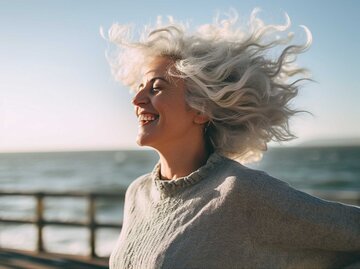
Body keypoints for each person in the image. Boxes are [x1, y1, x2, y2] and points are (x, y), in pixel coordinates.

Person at [105, 9, 360, 269]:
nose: (136, 100)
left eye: (156, 87)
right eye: (139, 87)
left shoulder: (239, 192)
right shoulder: (137, 193)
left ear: (201, 109)